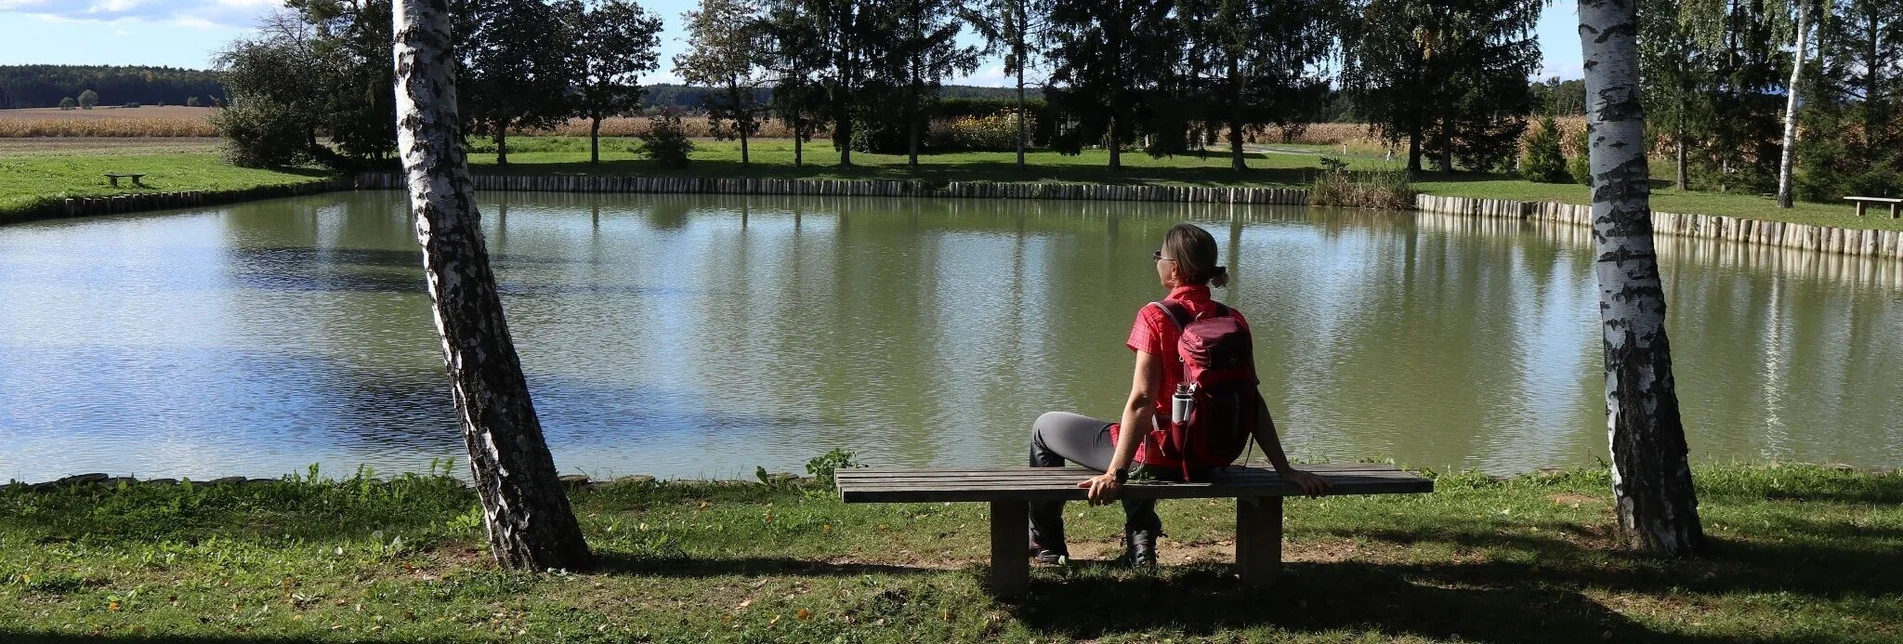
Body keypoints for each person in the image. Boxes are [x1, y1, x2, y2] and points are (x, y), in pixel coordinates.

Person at [1028, 223, 1329, 566]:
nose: (1156, 261)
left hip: (1163, 458)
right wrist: (1284, 469)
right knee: (1132, 434)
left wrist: (1115, 473)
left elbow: (1142, 401)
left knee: (1045, 426)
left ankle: (1046, 543)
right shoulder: (1233, 320)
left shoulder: (1154, 316)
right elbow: (1251, 400)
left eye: (1159, 255)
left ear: (1174, 269)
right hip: (1211, 456)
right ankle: (1141, 542)